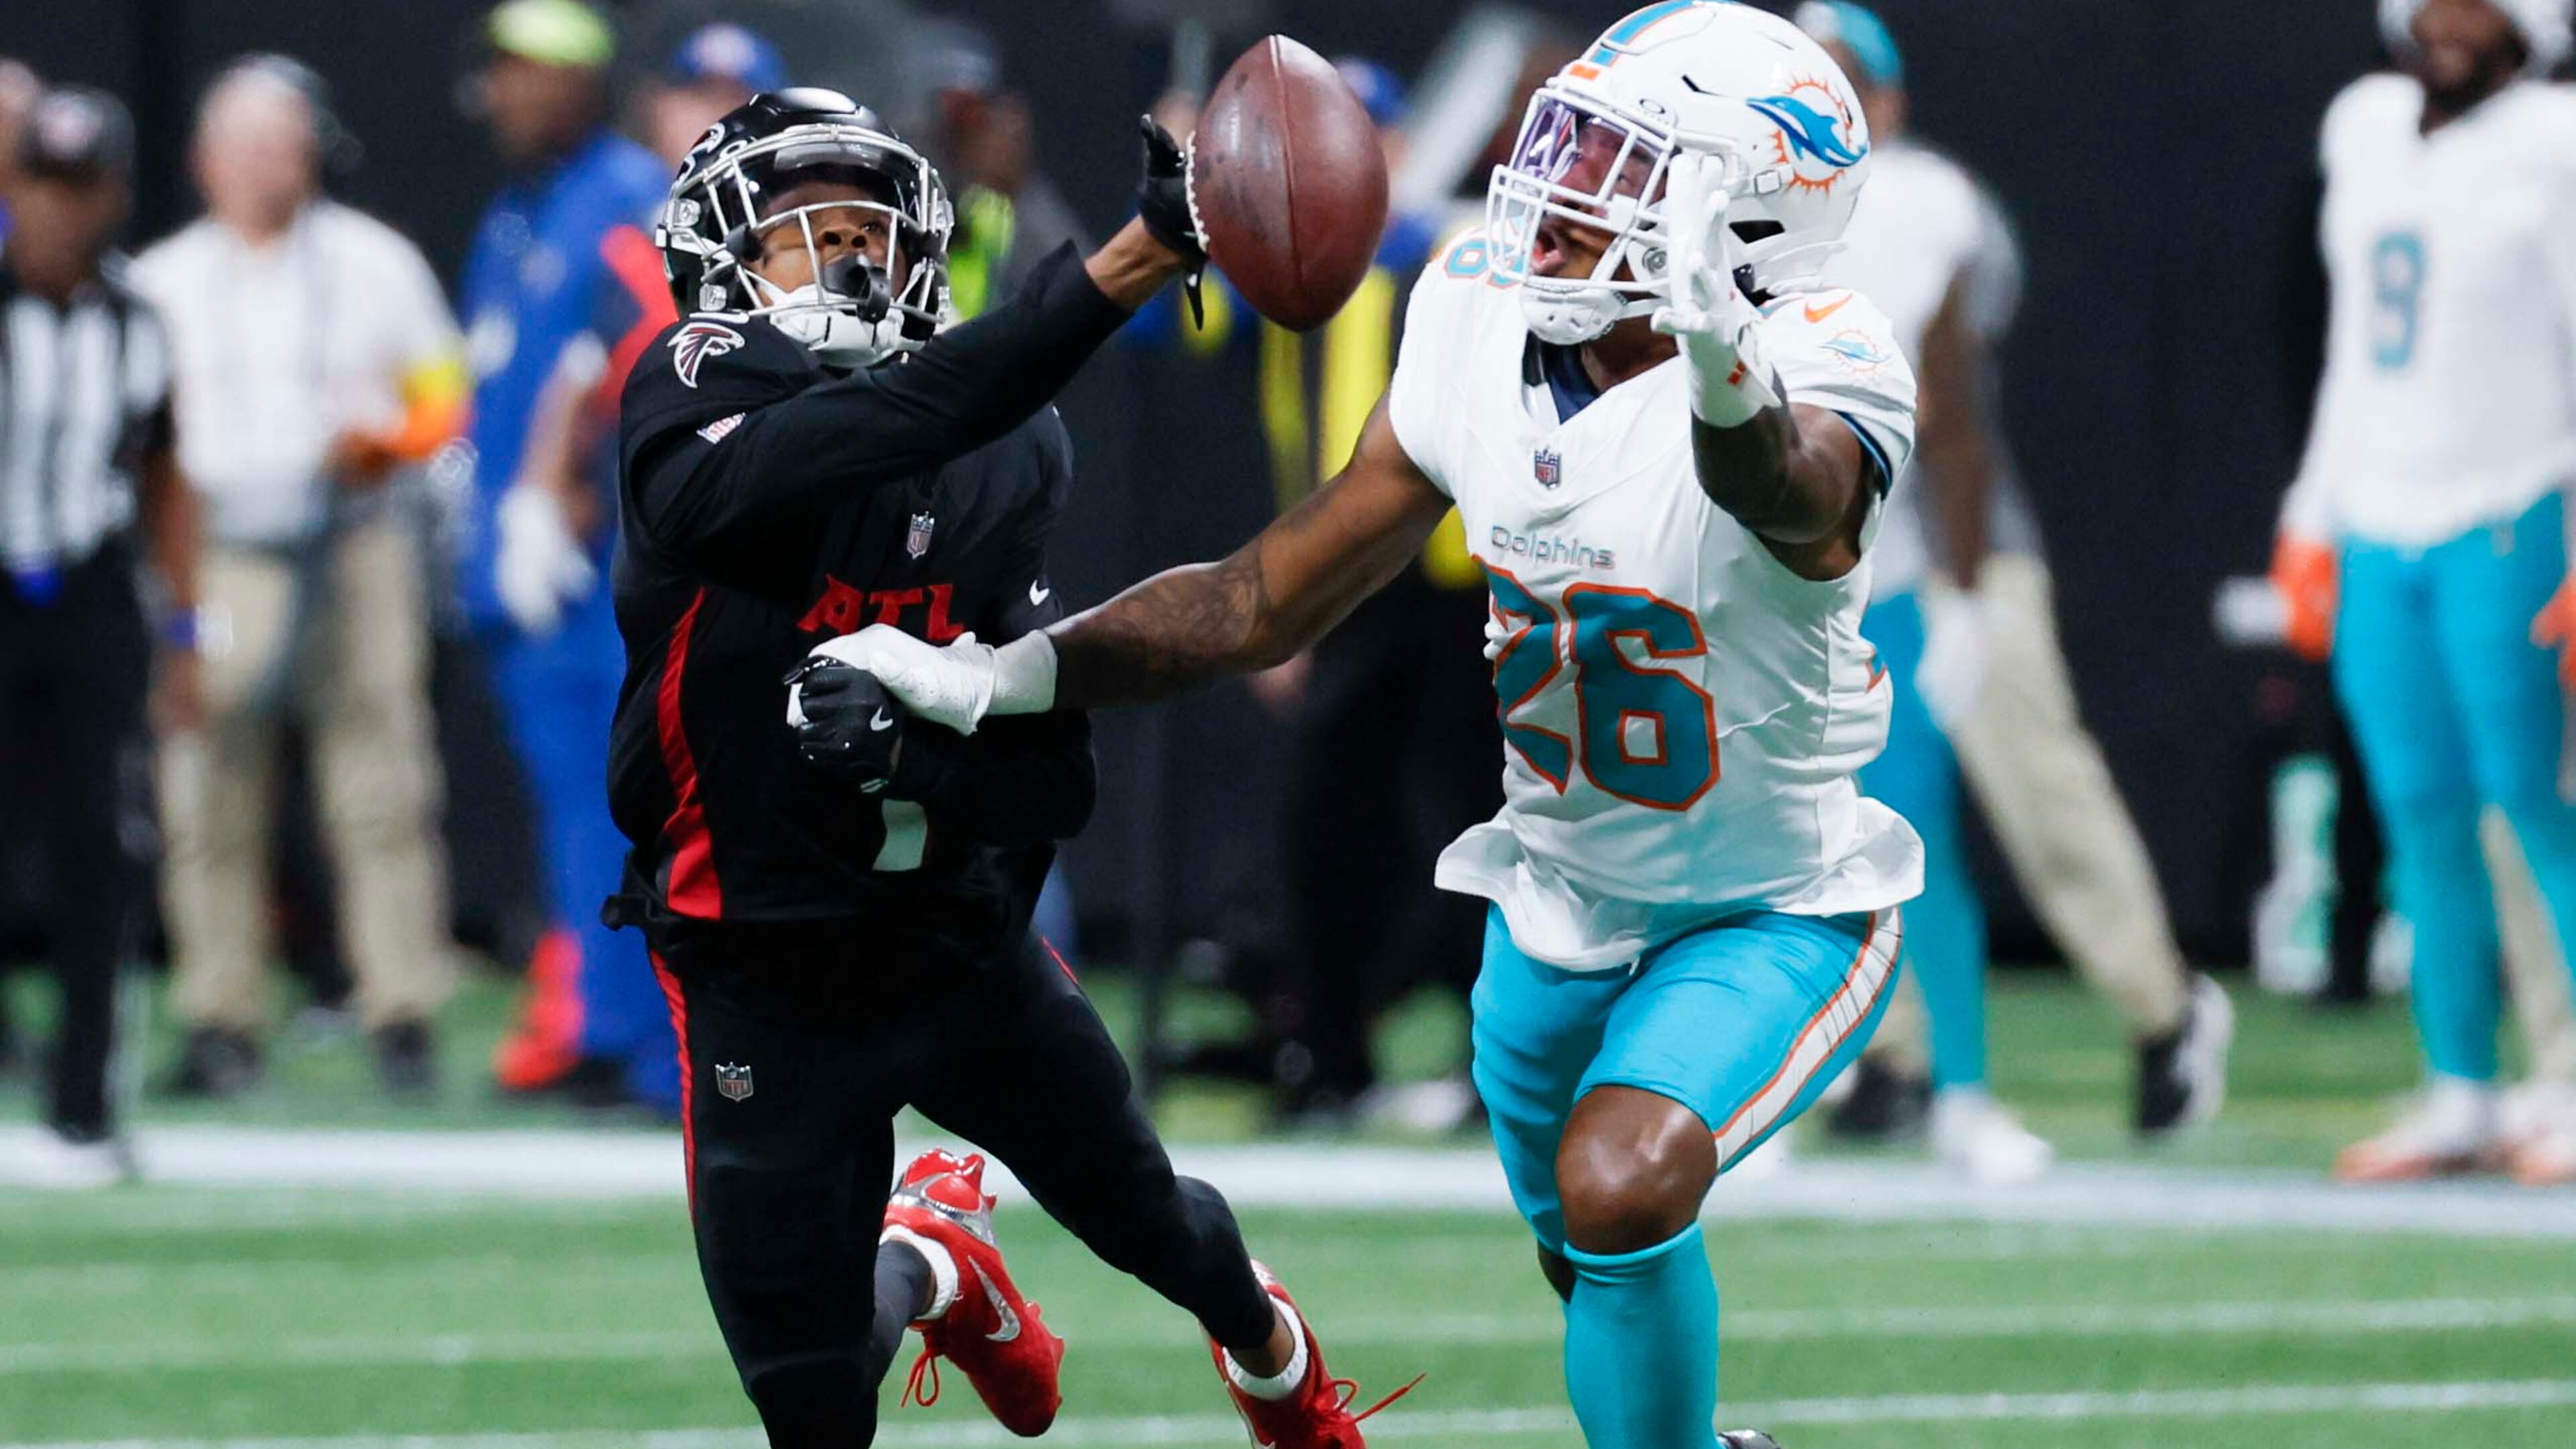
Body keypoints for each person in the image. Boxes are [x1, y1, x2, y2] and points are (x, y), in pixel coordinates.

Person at [823, 6, 1911, 1444]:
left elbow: (1799, 500)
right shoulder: (1478, 315)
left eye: (1620, 164)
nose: (1561, 188)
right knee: (1591, 1251)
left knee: (1619, 1187)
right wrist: (1003, 677)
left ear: (1745, 216)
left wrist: (1725, 374)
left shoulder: (1827, 349)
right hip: (1554, 905)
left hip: (1771, 903)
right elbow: (1260, 597)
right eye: (1569, 143)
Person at [607, 89, 1396, 1447]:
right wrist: (1123, 267)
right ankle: (932, 1266)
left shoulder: (1006, 449)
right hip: (756, 968)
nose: (848, 258)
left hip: (952, 951)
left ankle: (1280, 1367)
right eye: (805, 233)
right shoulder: (691, 390)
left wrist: (918, 756)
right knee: (810, 1405)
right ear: (720, 261)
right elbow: (888, 424)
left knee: (1158, 1226)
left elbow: (1053, 782)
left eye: (869, 231)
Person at [1798, 1, 2235, 1173]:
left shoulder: (1925, 198)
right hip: (1834, 564)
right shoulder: (1758, 203)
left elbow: (1951, 408)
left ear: (1887, 100)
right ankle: (1893, 1054)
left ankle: (2164, 1006)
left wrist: (1963, 591)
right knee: (1849, 814)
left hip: (1955, 549)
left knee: (2034, 787)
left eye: (1840, 80)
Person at [2271, 0, 2576, 1183]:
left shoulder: (2553, 137)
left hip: (2513, 506)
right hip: (2378, 518)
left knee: (2537, 803)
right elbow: (2354, 344)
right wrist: (2311, 515)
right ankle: (2462, 1090)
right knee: (2418, 813)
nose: (2449, 24)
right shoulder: (2365, 122)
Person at [133, 56, 466, 1102]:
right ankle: (219, 1013)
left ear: (311, 152)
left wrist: (390, 441)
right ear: (203, 161)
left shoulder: (375, 261)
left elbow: (444, 391)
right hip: (218, 549)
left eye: (278, 145)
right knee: (208, 785)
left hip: (352, 541)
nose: (260, 167)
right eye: (240, 147)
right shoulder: (163, 280)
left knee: (382, 784)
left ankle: (402, 1008)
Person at [487, 19, 782, 1099]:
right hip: (661, 569)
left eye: (732, 102)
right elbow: (586, 374)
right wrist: (538, 495)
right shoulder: (638, 237)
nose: (706, 121)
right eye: (692, 96)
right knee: (641, 811)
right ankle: (644, 1047)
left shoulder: (803, 234)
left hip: (768, 568)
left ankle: (704, 1054)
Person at [457, 0, 678, 1113]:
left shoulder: (628, 195)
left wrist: (572, 492)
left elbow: (642, 359)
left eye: (537, 71)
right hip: (523, 567)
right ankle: (596, 1024)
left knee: (625, 803)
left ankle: (646, 1047)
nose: (513, 92)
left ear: (586, 82)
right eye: (504, 70)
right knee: (574, 809)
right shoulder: (514, 212)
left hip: (599, 566)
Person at [0, 88, 200, 1186]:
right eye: (45, 184)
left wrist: (187, 628)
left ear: (115, 195)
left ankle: (84, 1102)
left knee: (98, 848)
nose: (61, 211)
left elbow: (166, 471)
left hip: (88, 595)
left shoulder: (137, 320)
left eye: (82, 189)